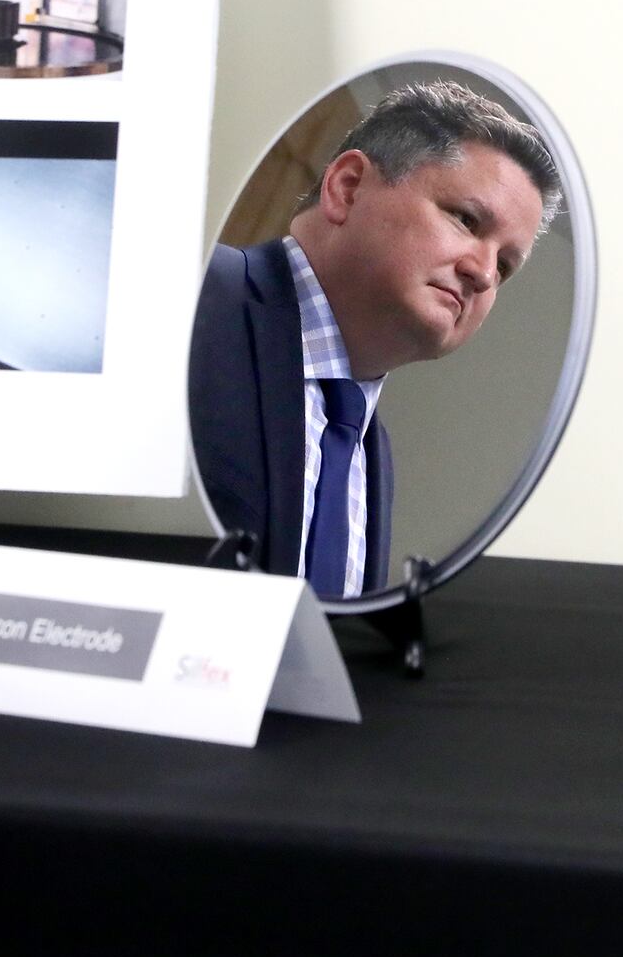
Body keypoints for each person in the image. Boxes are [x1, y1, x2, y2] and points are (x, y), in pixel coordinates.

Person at [190, 81, 563, 599]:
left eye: (505, 265)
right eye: (465, 219)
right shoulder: (193, 296)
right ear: (346, 187)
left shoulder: (372, 456)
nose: (482, 273)